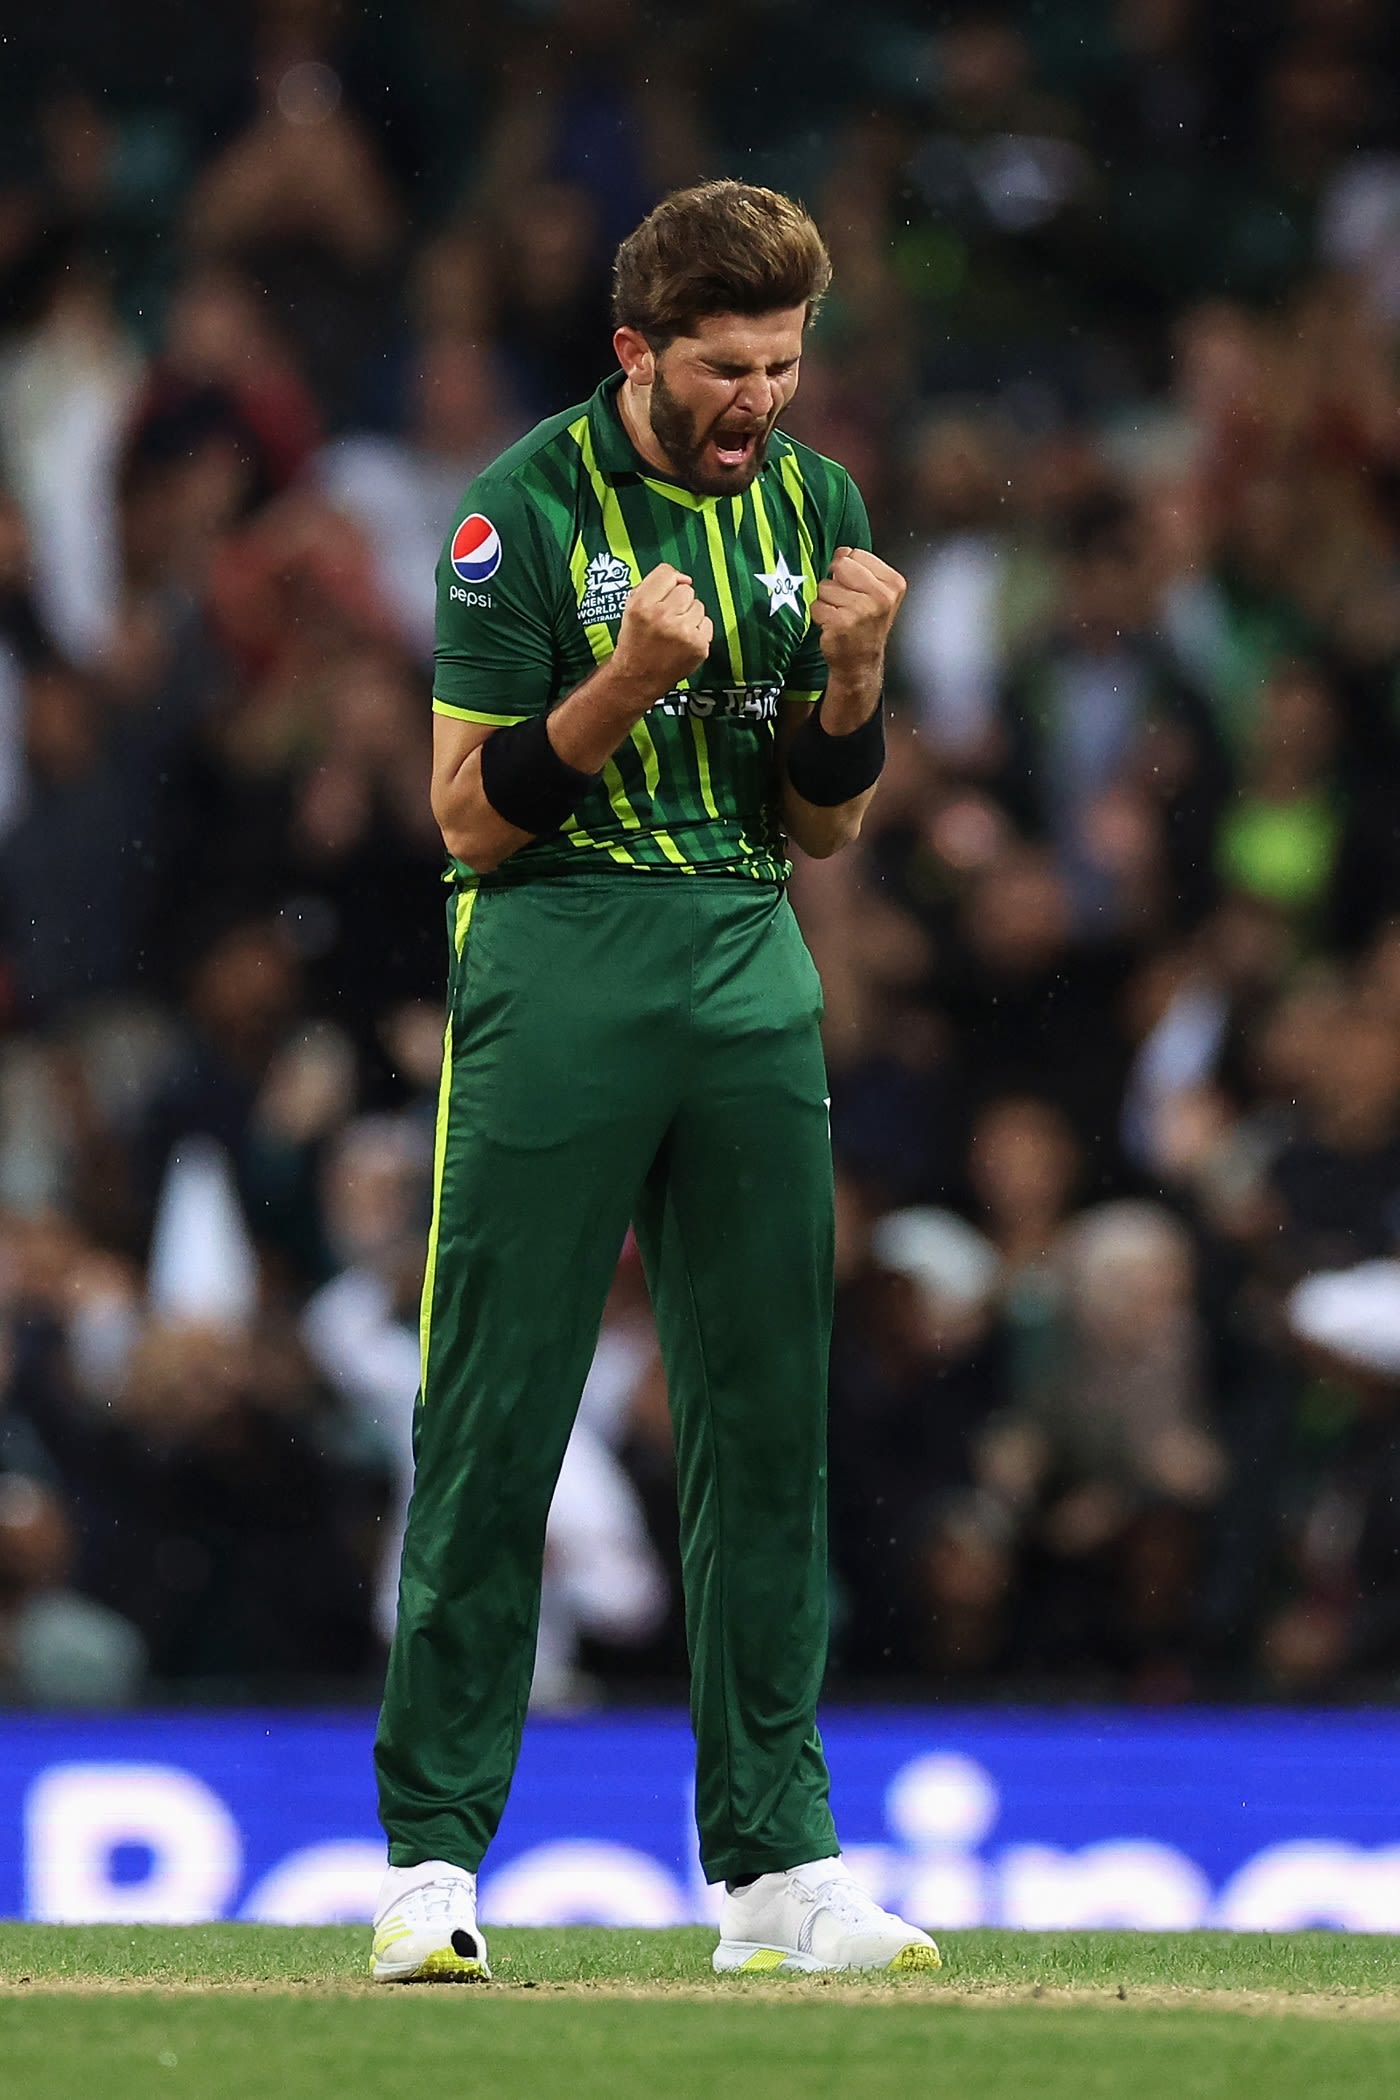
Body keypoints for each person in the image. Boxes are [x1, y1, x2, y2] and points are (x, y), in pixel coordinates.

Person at [370, 181, 938, 1981]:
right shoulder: (518, 510)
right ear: (638, 352)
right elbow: (463, 815)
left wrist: (852, 671)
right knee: (498, 1410)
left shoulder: (815, 502)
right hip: (557, 959)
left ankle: (776, 1870)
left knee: (768, 1423)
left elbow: (826, 823)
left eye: (785, 361)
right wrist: (623, 678)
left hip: (753, 955)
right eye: (727, 366)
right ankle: (432, 1869)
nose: (763, 398)